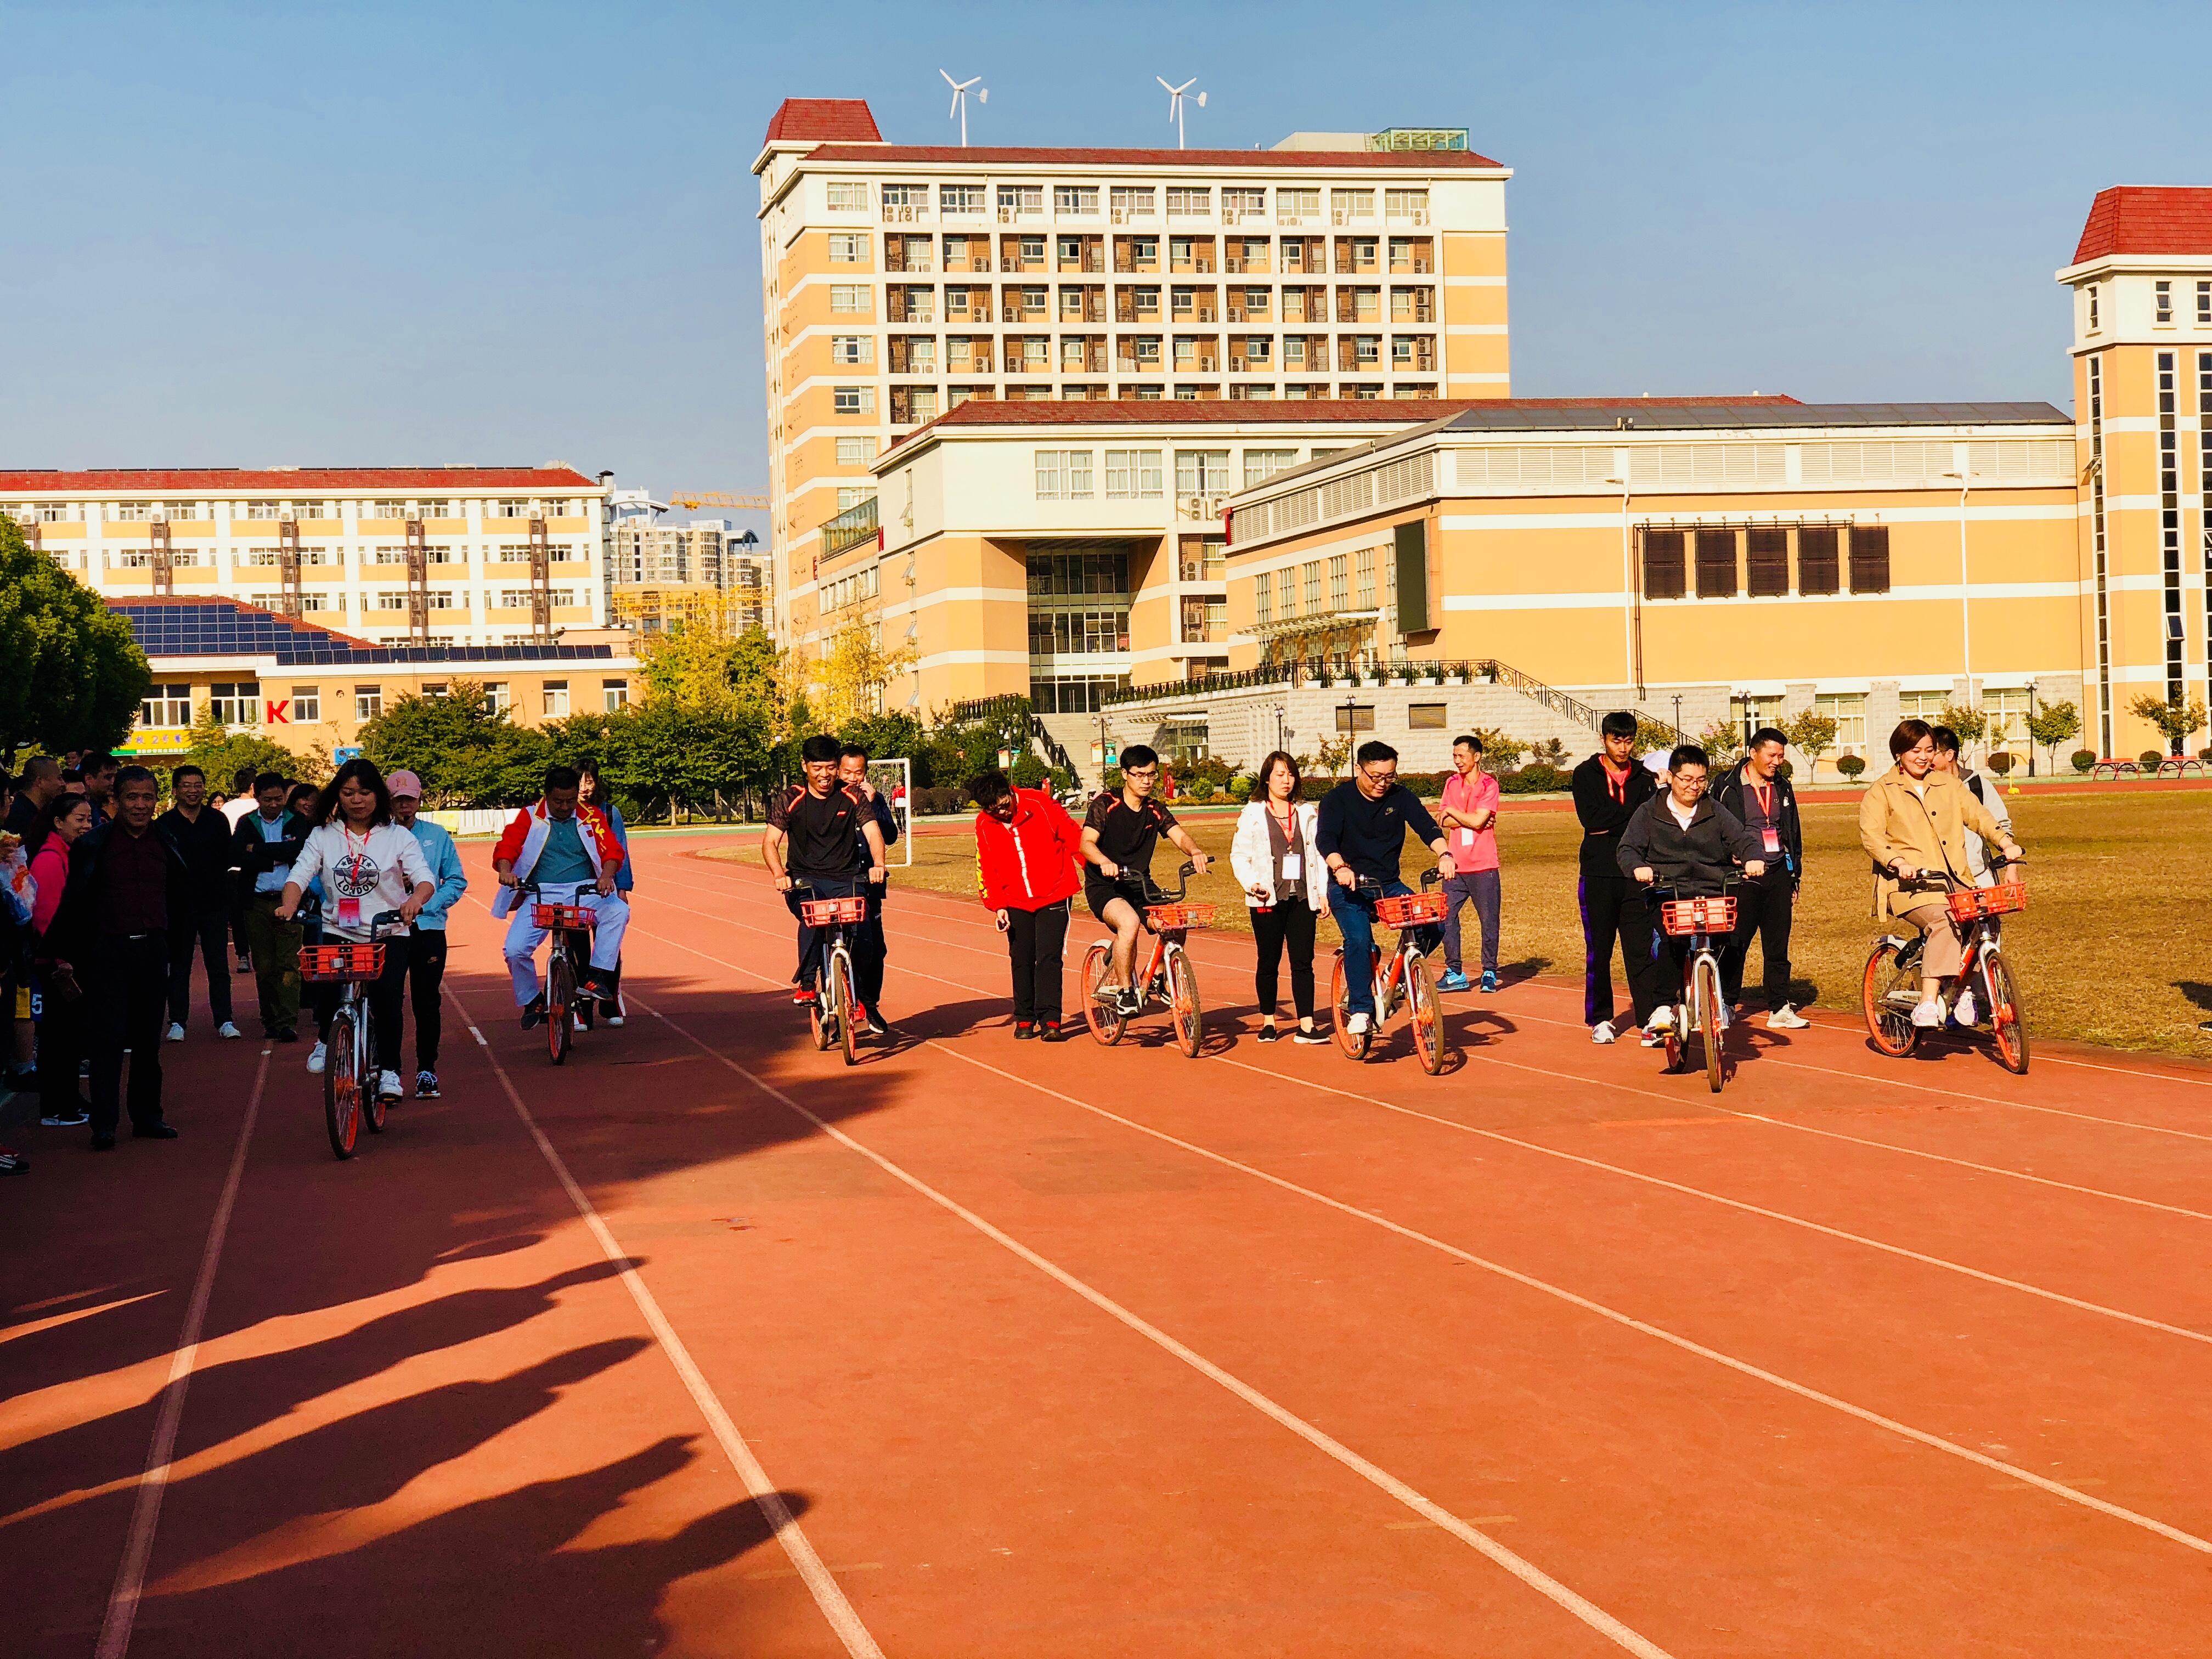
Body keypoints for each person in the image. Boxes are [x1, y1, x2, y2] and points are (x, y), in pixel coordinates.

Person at [46, 766, 187, 1148]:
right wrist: (67, 954)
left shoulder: (167, 841)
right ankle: (104, 1124)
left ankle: (148, 1116)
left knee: (147, 1040)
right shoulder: (94, 844)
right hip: (107, 952)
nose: (140, 805)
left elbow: (180, 898)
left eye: (148, 797)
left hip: (153, 949)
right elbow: (74, 902)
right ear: (116, 800)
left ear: (157, 801)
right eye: (132, 797)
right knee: (107, 1040)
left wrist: (174, 946)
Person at [278, 759, 435, 1099]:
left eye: (364, 792)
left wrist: (414, 901)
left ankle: (390, 1072)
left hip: (388, 933)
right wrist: (289, 905)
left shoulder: (398, 836)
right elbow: (299, 875)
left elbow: (424, 878)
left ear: (378, 795)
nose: (356, 800)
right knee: (327, 988)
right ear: (338, 796)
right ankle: (325, 1040)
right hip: (339, 930)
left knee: (388, 1000)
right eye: (348, 793)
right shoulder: (323, 835)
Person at [1859, 720, 2024, 1029]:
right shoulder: (1881, 791)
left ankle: (1961, 991)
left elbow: (1978, 816)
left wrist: (2005, 842)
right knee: (1945, 921)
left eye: (1929, 750)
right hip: (1910, 886)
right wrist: (1897, 861)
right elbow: (1872, 837)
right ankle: (1927, 1002)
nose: (1923, 757)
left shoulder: (1949, 785)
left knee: (1985, 921)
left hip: (1956, 880)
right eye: (1915, 750)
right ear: (1899, 753)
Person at [1619, 744, 1767, 1035]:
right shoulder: (1650, 811)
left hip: (1712, 889)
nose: (1694, 787)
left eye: (1700, 780)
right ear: (1671, 777)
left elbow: (1744, 840)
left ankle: (1723, 1000)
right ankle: (1663, 1006)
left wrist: (1753, 857)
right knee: (1673, 942)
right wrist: (1638, 867)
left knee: (1733, 939)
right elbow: (1627, 849)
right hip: (1667, 889)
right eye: (1686, 779)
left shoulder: (1715, 810)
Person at [1316, 741, 1454, 1039]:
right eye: (1376, 777)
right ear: (1359, 770)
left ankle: (1398, 975)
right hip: (1349, 886)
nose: (1382, 784)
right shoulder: (1337, 799)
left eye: (1389, 777)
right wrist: (1340, 867)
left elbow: (1427, 827)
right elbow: (1325, 839)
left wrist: (1444, 854)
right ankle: (1361, 1010)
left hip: (1388, 885)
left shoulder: (1401, 797)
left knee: (1434, 923)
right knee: (1359, 940)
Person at [493, 763, 631, 1030]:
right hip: (540, 893)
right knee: (515, 950)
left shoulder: (592, 816)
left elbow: (612, 851)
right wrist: (505, 871)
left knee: (619, 910)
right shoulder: (530, 817)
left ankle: (597, 975)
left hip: (584, 890)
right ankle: (532, 999)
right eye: (558, 802)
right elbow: (507, 846)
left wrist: (606, 876)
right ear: (546, 795)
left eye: (570, 801)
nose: (566, 807)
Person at [1080, 744, 1212, 1017]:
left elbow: (1180, 836)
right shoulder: (1105, 804)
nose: (1146, 781)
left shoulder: (1155, 809)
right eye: (1139, 775)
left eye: (1151, 775)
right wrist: (1104, 862)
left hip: (1139, 883)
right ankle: (1126, 991)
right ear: (1125, 774)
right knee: (1129, 922)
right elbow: (1086, 844)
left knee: (1176, 922)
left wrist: (1195, 851)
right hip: (1105, 886)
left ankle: (1158, 977)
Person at [763, 736, 885, 1020]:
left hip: (847, 880)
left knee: (866, 939)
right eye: (817, 768)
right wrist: (779, 874)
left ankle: (858, 995)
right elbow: (770, 842)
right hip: (805, 881)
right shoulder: (790, 799)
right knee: (814, 918)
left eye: (831, 768)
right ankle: (808, 984)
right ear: (805, 766)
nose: (824, 775)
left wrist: (878, 864)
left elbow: (873, 832)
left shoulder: (852, 796)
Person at [1572, 711, 1666, 1046]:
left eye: (1628, 741)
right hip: (1598, 873)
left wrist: (1620, 821)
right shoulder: (1585, 774)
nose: (1623, 748)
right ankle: (1601, 1019)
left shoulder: (1645, 776)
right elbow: (1591, 819)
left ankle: (1649, 1019)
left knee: (1640, 950)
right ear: (1604, 739)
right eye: (1616, 741)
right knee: (1599, 950)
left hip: (1636, 874)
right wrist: (1634, 816)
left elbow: (1651, 819)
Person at [970, 768, 1084, 1040]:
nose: (1002, 813)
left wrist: (1094, 868)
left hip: (1054, 892)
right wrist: (998, 905)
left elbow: (1073, 836)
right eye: (994, 810)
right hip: (1015, 899)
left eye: (1004, 805)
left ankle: (1050, 1019)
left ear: (1010, 792)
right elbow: (986, 866)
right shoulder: (984, 824)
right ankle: (1024, 1017)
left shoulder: (1039, 803)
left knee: (1048, 957)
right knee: (1021, 958)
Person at [1712, 728, 1809, 1030]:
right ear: (1753, 753)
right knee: (1735, 943)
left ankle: (1779, 1007)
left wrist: (1794, 877)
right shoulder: (1726, 786)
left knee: (1778, 945)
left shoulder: (1783, 787)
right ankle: (1726, 1003)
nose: (1777, 762)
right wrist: (1727, 856)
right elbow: (1711, 829)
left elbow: (1792, 832)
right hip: (1741, 877)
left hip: (1777, 873)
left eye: (1781, 756)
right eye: (1772, 755)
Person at [1230, 751, 1326, 1043]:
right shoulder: (1252, 814)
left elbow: (1319, 855)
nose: (1287, 780)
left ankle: (1307, 1025)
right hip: (1266, 899)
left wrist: (1323, 893)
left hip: (1302, 898)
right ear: (1267, 779)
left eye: (1291, 774)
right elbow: (1239, 856)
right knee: (1268, 960)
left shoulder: (1308, 813)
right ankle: (1269, 1021)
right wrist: (1252, 884)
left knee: (1303, 961)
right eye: (1280, 775)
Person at [388, 772, 467, 1098]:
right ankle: (388, 1070)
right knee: (387, 1000)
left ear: (419, 800)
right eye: (398, 800)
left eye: (410, 799)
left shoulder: (436, 836)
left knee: (426, 1001)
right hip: (388, 929)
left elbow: (456, 880)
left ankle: (426, 1070)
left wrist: (425, 903)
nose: (405, 806)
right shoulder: (377, 837)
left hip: (428, 928)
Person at [155, 764, 244, 1043]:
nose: (193, 791)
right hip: (178, 906)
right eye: (186, 786)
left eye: (198, 785)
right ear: (175, 790)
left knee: (218, 966)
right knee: (179, 966)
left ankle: (225, 1019)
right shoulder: (164, 824)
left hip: (214, 902)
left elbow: (229, 856)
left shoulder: (217, 820)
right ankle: (177, 1021)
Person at [27, 792, 95, 1130]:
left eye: (89, 819)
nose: (86, 826)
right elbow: (48, 918)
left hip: (66, 959)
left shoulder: (69, 854)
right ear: (58, 822)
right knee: (58, 1037)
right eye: (79, 819)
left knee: (69, 1036)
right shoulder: (50, 860)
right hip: (56, 965)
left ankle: (70, 1098)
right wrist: (61, 959)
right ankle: (56, 1106)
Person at [230, 773, 311, 1041]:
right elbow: (237, 855)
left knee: (289, 964)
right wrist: (274, 856)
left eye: (279, 799)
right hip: (257, 901)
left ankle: (288, 1021)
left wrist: (257, 849)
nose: (274, 804)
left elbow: (298, 851)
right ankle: (271, 1019)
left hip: (290, 901)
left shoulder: (297, 821)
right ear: (257, 797)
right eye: (268, 800)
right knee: (264, 966)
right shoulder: (247, 822)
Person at [837, 744, 900, 1035]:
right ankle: (834, 1008)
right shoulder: (829, 799)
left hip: (869, 883)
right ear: (838, 771)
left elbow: (890, 836)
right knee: (838, 943)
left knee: (876, 948)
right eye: (847, 772)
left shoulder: (874, 798)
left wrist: (875, 803)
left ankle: (870, 1004)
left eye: (859, 772)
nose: (853, 778)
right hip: (838, 881)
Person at [1435, 734, 1503, 994]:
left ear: (1477, 757)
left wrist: (1456, 813)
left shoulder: (1489, 785)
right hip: (1454, 866)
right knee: (1447, 917)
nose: (1457, 760)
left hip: (1484, 865)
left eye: (1462, 756)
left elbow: (1476, 821)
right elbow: (1443, 820)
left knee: (1489, 920)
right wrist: (1470, 818)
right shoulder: (1451, 783)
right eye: (1454, 756)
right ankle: (1455, 972)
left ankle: (1489, 971)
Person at [577, 761, 632, 1025]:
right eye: (579, 781)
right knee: (576, 948)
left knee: (609, 945)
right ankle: (581, 1009)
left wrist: (623, 888)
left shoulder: (610, 813)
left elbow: (622, 851)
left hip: (605, 888)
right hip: (574, 888)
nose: (584, 788)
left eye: (589, 781)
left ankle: (610, 1003)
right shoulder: (563, 812)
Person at [1929, 726, 2013, 887]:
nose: (1925, 758)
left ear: (1949, 755)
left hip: (1979, 875)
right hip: (1941, 879)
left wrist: (2011, 867)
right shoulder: (1924, 787)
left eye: (1932, 752)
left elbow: (2002, 826)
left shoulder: (1978, 785)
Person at [219, 764, 259, 973]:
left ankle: (243, 956)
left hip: (234, 869)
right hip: (260, 868)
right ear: (253, 786)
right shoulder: (261, 807)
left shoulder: (227, 808)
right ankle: (262, 955)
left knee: (238, 915)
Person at [79, 753, 119, 830]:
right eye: (108, 777)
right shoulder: (80, 808)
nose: (113, 782)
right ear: (89, 779)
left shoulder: (99, 807)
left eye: (115, 777)